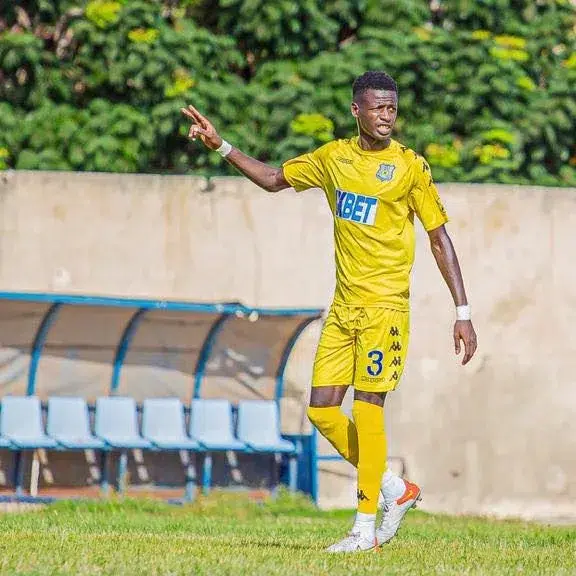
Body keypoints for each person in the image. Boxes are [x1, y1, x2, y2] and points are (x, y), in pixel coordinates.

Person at [181, 70, 478, 553]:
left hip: (385, 308)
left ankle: (364, 531)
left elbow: (439, 237)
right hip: (343, 308)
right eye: (378, 108)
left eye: (393, 108)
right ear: (356, 110)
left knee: (368, 408)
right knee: (321, 409)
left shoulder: (410, 167)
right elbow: (276, 179)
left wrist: (462, 310)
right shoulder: (333, 159)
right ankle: (391, 489)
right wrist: (221, 146)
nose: (387, 117)